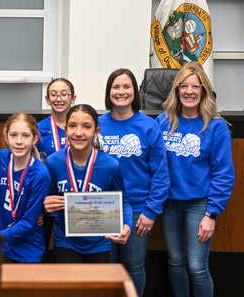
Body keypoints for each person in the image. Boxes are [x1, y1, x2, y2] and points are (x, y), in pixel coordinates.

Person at [156, 62, 234, 297]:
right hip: (168, 204)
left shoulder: (216, 126)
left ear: (204, 90)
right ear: (177, 90)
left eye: (195, 86)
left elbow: (224, 174)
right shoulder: (161, 122)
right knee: (175, 261)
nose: (189, 91)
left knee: (197, 267)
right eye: (184, 86)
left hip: (199, 205)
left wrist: (212, 214)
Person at [98, 69, 169, 296]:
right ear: (109, 92)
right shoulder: (97, 124)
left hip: (139, 208)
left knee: (133, 266)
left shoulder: (149, 126)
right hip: (102, 206)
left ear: (135, 92)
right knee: (105, 267)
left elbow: (160, 173)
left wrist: (151, 211)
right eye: (116, 87)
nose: (121, 92)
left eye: (126, 87)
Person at [43, 104, 133, 263]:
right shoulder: (53, 162)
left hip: (99, 242)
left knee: (96, 288)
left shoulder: (110, 165)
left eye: (86, 127)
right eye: (72, 126)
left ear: (96, 131)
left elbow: (123, 200)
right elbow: (44, 200)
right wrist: (44, 206)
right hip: (65, 240)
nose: (78, 132)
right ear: (65, 129)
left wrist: (127, 225)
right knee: (69, 288)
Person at [0, 113, 50, 263]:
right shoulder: (2, 158)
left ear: (35, 139)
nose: (19, 141)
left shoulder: (40, 175)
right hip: (3, 248)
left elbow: (28, 223)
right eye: (13, 135)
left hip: (28, 252)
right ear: (6, 137)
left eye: (25, 135)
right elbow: (3, 200)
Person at [36, 77, 76, 261]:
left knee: (70, 250)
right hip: (46, 197)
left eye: (64, 94)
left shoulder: (80, 127)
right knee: (40, 246)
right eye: (53, 94)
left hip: (75, 195)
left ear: (73, 98)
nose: (58, 98)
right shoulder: (39, 128)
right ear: (47, 99)